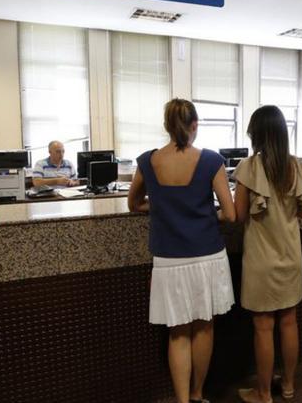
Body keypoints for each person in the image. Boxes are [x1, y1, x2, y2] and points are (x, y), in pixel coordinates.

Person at [127, 99, 236, 403]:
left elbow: (134, 204)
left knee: (178, 333)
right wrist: (206, 213)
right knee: (203, 327)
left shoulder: (148, 161)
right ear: (195, 125)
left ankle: (181, 401)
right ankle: (198, 393)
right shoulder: (212, 161)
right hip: (207, 254)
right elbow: (229, 214)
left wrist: (160, 206)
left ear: (166, 126)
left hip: (168, 258)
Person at [233, 105, 302, 403]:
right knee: (289, 321)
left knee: (263, 326)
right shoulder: (299, 168)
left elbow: (239, 215)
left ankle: (264, 392)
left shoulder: (249, 168)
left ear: (257, 135)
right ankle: (289, 386)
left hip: (261, 260)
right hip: (292, 258)